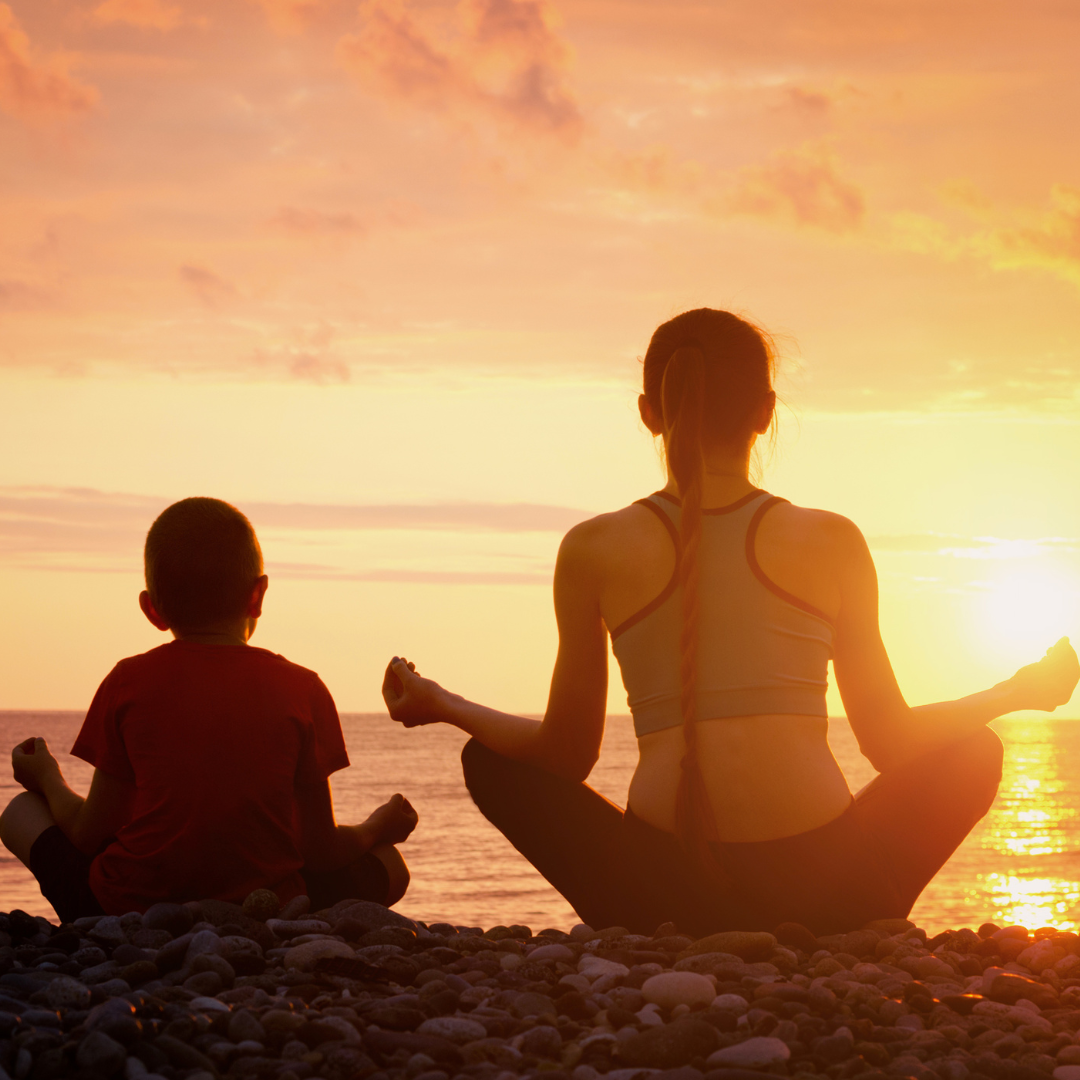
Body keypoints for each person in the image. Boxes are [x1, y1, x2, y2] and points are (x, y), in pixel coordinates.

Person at [381, 307, 1080, 937]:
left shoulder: (592, 547)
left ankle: (652, 932)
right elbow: (892, 742)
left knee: (489, 762)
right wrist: (1017, 692)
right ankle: (861, 927)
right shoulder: (831, 540)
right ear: (766, 412)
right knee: (973, 750)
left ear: (649, 412)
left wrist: (447, 704)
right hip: (828, 887)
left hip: (660, 896)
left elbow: (567, 756)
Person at [1, 497, 417, 923]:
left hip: (123, 911)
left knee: (18, 811)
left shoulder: (127, 681)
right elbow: (321, 851)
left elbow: (90, 834)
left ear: (152, 609)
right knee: (391, 867)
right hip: (268, 910)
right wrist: (376, 826)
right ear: (258, 595)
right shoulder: (303, 688)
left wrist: (48, 778)